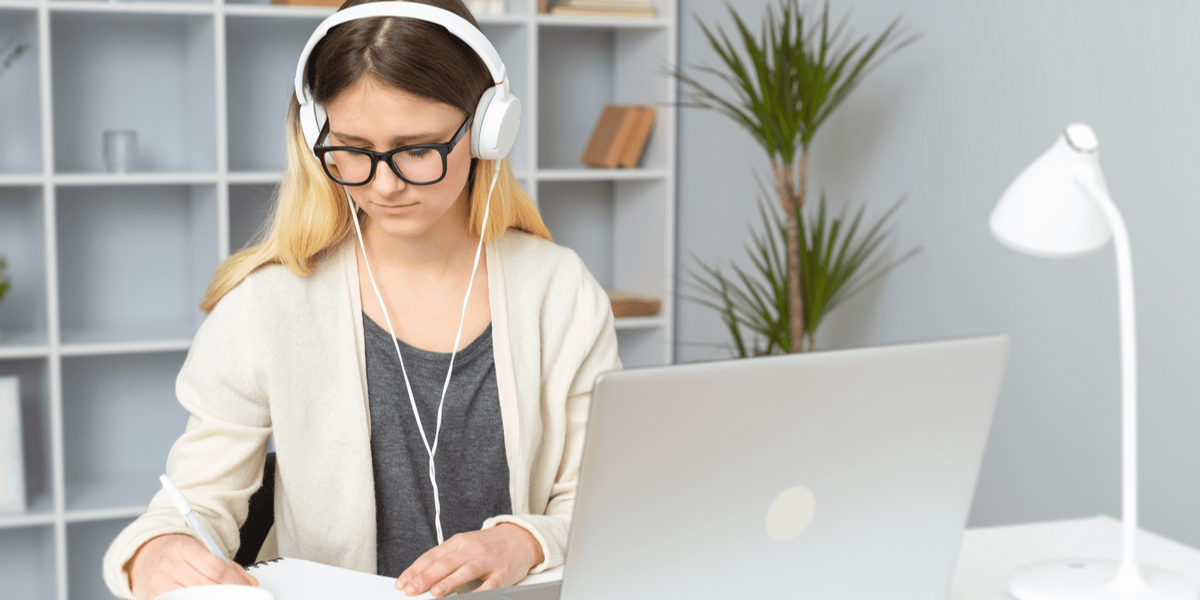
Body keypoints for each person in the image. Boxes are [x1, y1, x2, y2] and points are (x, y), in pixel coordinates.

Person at [101, 0, 620, 598]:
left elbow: (594, 500)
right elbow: (193, 502)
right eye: (352, 149)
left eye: (417, 149)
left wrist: (525, 541)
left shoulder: (559, 291)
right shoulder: (266, 305)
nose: (383, 184)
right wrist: (157, 551)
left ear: (487, 130)